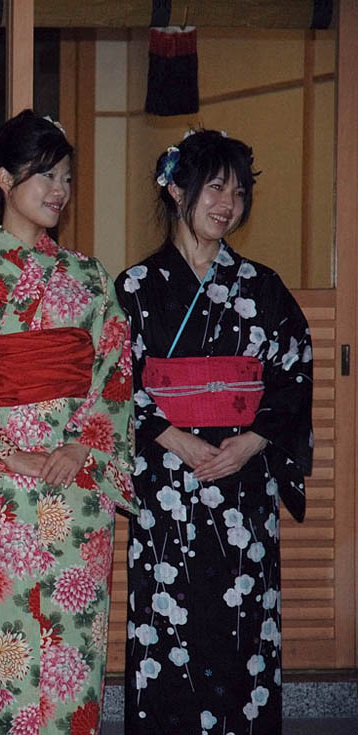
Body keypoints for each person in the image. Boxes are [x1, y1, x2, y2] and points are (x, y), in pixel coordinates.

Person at [0, 110, 138, 734]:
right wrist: (8, 454)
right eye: (45, 175)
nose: (59, 190)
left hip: (79, 485)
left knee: (76, 647)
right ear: (5, 180)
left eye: (66, 178)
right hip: (4, 489)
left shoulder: (89, 276)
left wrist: (83, 446)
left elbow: (114, 369)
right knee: (10, 645)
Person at [115, 130, 312, 734]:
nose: (228, 203)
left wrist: (252, 442)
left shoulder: (262, 288)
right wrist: (175, 437)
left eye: (239, 192)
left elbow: (292, 373)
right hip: (167, 483)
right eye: (215, 187)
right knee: (167, 624)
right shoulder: (135, 288)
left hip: (241, 484)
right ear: (177, 189)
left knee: (243, 627)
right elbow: (114, 382)